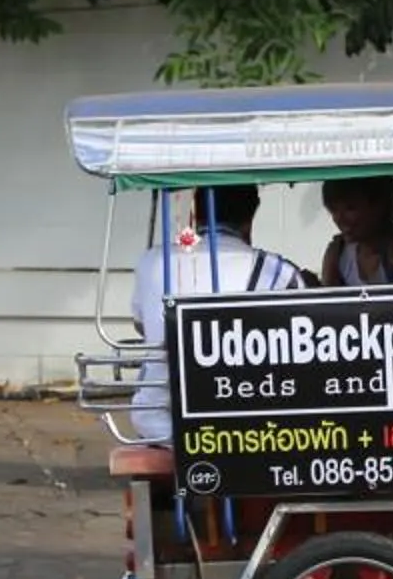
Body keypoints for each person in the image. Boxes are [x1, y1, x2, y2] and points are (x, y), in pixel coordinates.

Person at [128, 183, 306, 441]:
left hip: (160, 422)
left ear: (195, 211)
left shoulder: (152, 260)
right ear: (252, 214)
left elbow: (141, 325)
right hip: (253, 429)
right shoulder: (278, 272)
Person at [317, 176, 393, 288]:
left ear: (379, 205)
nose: (340, 219)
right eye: (333, 210)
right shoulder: (339, 253)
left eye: (350, 208)